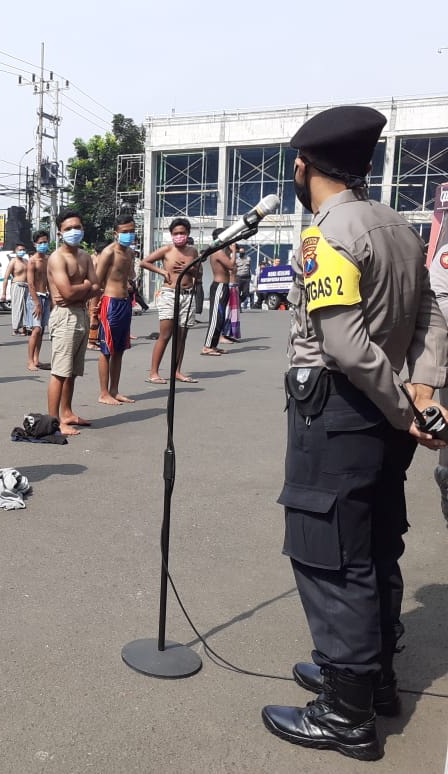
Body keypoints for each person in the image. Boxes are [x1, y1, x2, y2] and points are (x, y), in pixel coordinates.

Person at [260, 105, 448, 763]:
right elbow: (430, 310)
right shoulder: (395, 222)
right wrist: (421, 393)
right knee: (372, 543)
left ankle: (345, 713)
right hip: (386, 415)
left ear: (302, 166)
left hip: (340, 413)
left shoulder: (326, 233)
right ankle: (372, 680)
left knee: (330, 553)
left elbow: (342, 344)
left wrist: (404, 407)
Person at [47, 210, 98, 435]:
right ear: (60, 232)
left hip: (81, 314)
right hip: (64, 316)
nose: (73, 231)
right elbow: (65, 294)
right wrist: (85, 286)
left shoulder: (85, 256)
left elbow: (97, 286)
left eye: (77, 227)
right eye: (68, 228)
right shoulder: (57, 258)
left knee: (73, 371)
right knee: (60, 371)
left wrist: (83, 289)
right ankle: (53, 420)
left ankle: (67, 412)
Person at [142, 218, 199, 384]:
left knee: (182, 336)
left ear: (188, 234)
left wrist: (190, 269)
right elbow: (145, 262)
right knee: (165, 334)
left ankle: (177, 371)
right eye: (176, 233)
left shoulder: (193, 252)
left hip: (188, 295)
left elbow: (199, 275)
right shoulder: (167, 250)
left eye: (182, 233)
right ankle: (154, 372)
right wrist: (161, 271)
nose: (179, 236)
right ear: (171, 235)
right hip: (169, 294)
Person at [95, 216, 137, 405]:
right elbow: (96, 282)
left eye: (131, 231)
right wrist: (93, 311)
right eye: (125, 232)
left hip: (125, 303)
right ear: (116, 233)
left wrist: (130, 284)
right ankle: (104, 393)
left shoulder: (130, 253)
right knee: (106, 350)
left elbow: (130, 276)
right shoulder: (108, 252)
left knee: (120, 349)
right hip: (110, 303)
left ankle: (114, 390)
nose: (129, 235)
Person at [201, 227, 237, 356]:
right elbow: (232, 267)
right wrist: (234, 252)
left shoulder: (222, 251)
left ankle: (213, 346)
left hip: (223, 286)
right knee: (216, 318)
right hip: (219, 287)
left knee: (220, 319)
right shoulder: (218, 252)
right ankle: (207, 346)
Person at [26, 230, 52, 371]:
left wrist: (52, 299)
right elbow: (30, 284)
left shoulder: (48, 260)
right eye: (40, 242)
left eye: (45, 242)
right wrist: (36, 303)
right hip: (34, 297)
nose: (43, 245)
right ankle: (30, 361)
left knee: (41, 331)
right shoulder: (32, 261)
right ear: (35, 244)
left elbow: (49, 281)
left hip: (46, 297)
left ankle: (36, 359)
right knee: (36, 330)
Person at [2, 242, 31, 335]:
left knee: (27, 308)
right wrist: (4, 293)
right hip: (17, 285)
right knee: (17, 307)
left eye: (23, 250)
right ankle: (15, 328)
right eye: (20, 250)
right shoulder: (13, 262)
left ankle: (25, 328)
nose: (22, 251)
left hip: (26, 286)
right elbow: (6, 277)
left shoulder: (26, 261)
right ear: (16, 251)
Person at [235, 246, 252, 310]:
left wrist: (250, 277)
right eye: (240, 252)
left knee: (246, 293)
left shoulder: (248, 259)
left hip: (246, 278)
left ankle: (239, 302)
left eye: (243, 252)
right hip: (239, 277)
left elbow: (249, 268)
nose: (241, 253)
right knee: (238, 292)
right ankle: (238, 305)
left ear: (245, 252)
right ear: (239, 252)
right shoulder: (236, 260)